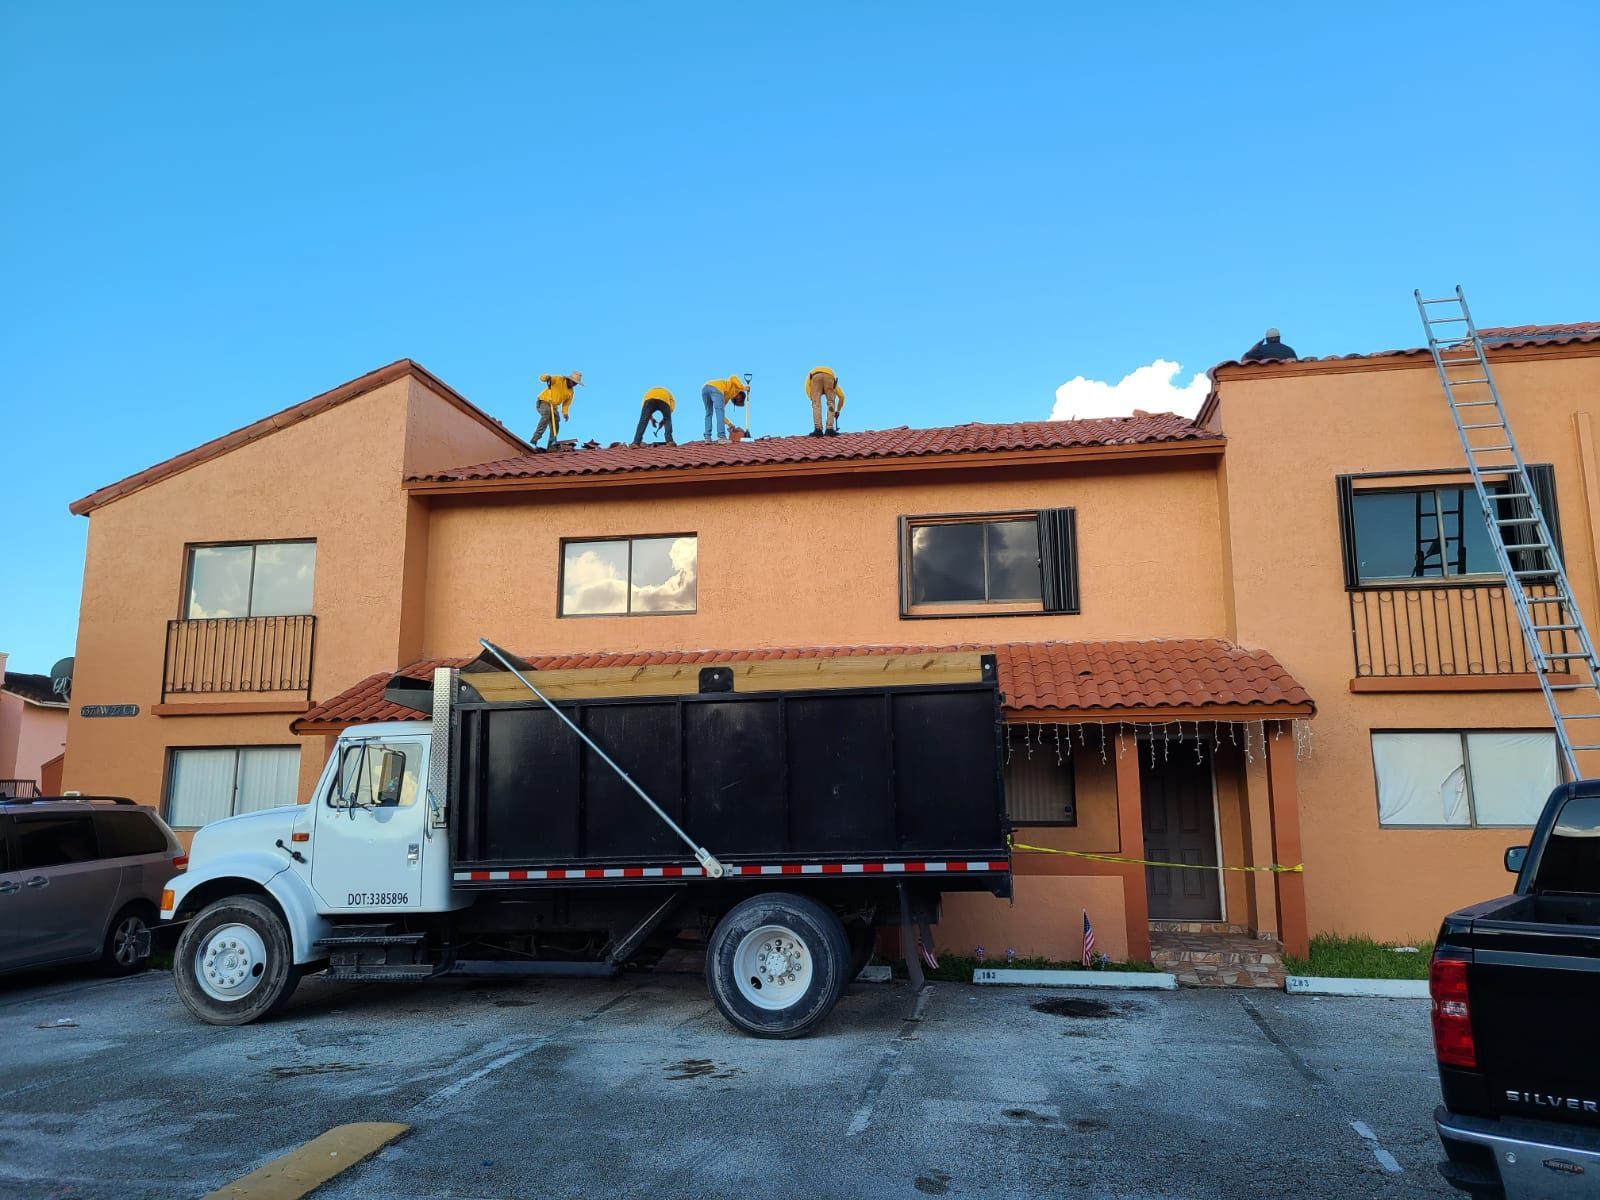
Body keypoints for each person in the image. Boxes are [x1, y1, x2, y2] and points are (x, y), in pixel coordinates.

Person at [532, 370, 584, 448]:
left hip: (554, 407)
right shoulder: (559, 379)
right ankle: (536, 437)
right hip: (544, 401)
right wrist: (546, 377)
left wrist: (565, 413)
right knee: (546, 414)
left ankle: (551, 445)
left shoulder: (571, 392)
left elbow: (566, 404)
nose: (574, 384)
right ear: (569, 379)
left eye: (576, 383)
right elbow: (542, 378)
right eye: (573, 382)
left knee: (556, 423)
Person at [702, 373, 748, 441]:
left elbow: (722, 415)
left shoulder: (726, 397)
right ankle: (721, 437)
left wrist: (729, 424)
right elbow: (733, 377)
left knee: (709, 413)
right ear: (740, 394)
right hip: (716, 389)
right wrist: (743, 388)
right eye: (739, 399)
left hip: (705, 389)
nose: (737, 400)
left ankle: (707, 437)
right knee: (718, 413)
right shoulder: (736, 387)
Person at [805, 366, 846, 436]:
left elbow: (807, 386)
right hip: (829, 376)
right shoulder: (835, 385)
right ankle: (829, 429)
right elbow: (842, 396)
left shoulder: (810, 378)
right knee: (831, 402)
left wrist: (813, 399)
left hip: (816, 376)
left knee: (816, 404)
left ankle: (818, 430)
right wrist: (838, 411)